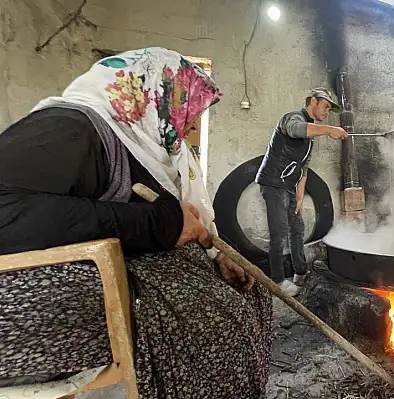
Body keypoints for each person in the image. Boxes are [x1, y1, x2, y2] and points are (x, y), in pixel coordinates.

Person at [0, 48, 272, 399]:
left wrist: (219, 255)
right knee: (218, 320)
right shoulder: (68, 126)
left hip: (122, 266)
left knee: (254, 295)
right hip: (27, 305)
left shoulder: (146, 143)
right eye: (188, 111)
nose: (192, 126)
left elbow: (186, 217)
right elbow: (9, 216)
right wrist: (159, 224)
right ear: (150, 97)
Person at [255, 88, 348, 296]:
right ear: (313, 101)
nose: (327, 111)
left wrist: (299, 196)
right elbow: (295, 129)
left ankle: (300, 272)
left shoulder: (311, 134)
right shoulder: (292, 118)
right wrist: (329, 129)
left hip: (289, 186)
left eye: (330, 110)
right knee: (278, 233)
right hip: (272, 182)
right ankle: (277, 281)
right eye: (325, 106)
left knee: (297, 229)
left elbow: (303, 167)